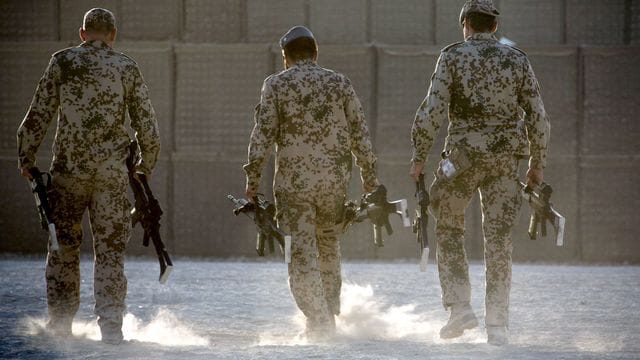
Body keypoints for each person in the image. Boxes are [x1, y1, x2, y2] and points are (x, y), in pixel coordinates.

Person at [409, 0, 550, 345]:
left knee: (448, 225)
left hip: (462, 159)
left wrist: (418, 158)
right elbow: (537, 116)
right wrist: (536, 164)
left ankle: (459, 308)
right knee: (500, 240)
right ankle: (497, 324)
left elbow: (432, 110)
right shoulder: (517, 60)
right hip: (505, 162)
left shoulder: (453, 56)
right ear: (494, 26)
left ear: (466, 25)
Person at [16, 8, 160, 344]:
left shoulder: (62, 62)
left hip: (68, 173)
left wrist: (26, 157)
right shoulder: (126, 67)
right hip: (111, 178)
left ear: (83, 33)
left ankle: (61, 325)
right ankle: (111, 327)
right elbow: (147, 126)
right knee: (110, 252)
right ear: (112, 35)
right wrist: (143, 166)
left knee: (63, 248)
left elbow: (39, 113)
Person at [244, 26, 379, 340]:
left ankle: (319, 323)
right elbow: (360, 133)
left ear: (285, 57)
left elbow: (262, 136)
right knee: (329, 248)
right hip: (334, 184)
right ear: (315, 53)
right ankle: (328, 315)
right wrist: (370, 177)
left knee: (300, 254)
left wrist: (252, 180)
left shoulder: (275, 85)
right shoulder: (340, 83)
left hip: (294, 186)